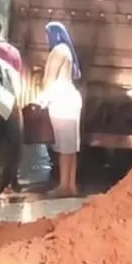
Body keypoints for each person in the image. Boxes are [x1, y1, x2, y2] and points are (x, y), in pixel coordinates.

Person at [37, 21, 82, 197]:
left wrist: (40, 99)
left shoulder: (58, 51)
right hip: (71, 99)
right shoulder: (68, 50)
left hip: (61, 101)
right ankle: (71, 185)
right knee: (71, 146)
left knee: (64, 146)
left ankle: (63, 186)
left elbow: (49, 78)